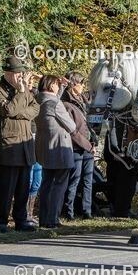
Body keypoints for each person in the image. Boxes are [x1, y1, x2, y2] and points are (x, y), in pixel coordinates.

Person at [0, 56, 40, 232]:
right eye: (17, 73)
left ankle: (21, 220)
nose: (20, 77)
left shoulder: (23, 89)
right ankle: (1, 222)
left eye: (22, 73)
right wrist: (19, 93)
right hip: (9, 146)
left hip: (25, 146)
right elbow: (8, 110)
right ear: (7, 73)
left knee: (23, 188)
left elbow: (35, 109)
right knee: (6, 188)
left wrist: (20, 109)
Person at [35, 75, 77, 229]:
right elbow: (71, 126)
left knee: (46, 184)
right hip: (59, 148)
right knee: (59, 184)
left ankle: (44, 218)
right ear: (52, 85)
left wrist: (64, 87)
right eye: (57, 85)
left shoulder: (38, 100)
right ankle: (53, 219)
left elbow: (52, 101)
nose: (59, 86)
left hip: (44, 148)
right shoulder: (56, 104)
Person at [61, 71, 95, 220]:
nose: (83, 86)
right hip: (76, 147)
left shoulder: (83, 101)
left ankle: (87, 210)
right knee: (74, 180)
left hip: (89, 145)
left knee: (88, 179)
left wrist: (92, 142)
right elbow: (72, 130)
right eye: (81, 83)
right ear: (73, 84)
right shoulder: (66, 104)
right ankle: (69, 211)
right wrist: (87, 145)